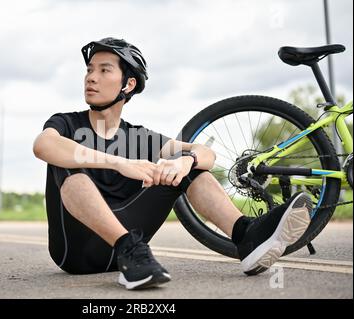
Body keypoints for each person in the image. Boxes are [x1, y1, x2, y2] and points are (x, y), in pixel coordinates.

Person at [33, 37, 312, 290]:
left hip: (130, 252)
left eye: (104, 70)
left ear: (127, 84)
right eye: (89, 70)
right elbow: (43, 145)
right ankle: (128, 246)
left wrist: (185, 163)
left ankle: (246, 236)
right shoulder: (67, 123)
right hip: (77, 252)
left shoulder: (139, 137)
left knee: (187, 165)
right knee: (67, 159)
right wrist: (120, 163)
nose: (91, 78)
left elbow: (206, 153)